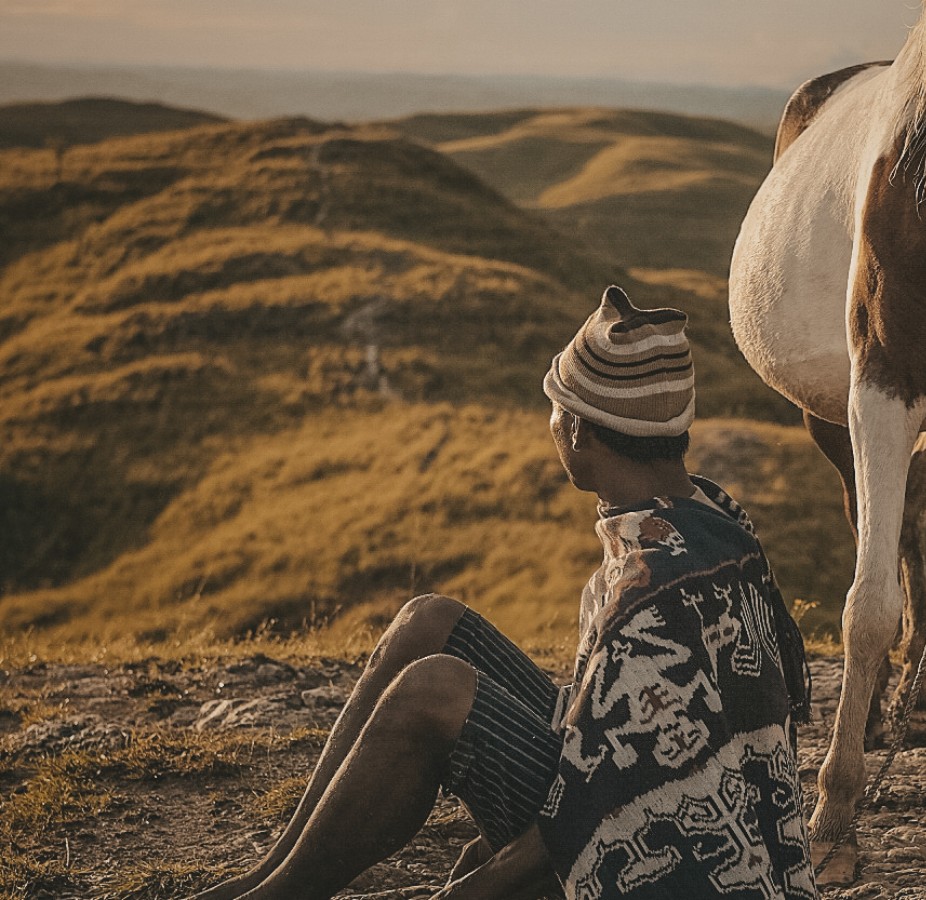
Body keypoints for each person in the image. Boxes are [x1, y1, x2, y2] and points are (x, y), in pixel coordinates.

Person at [188, 285, 817, 900]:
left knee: (432, 691)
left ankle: (280, 895)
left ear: (579, 431)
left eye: (556, 407)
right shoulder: (712, 520)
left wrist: (469, 889)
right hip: (661, 783)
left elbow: (595, 813)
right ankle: (271, 875)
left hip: (676, 857)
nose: (551, 424)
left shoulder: (647, 595)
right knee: (428, 621)